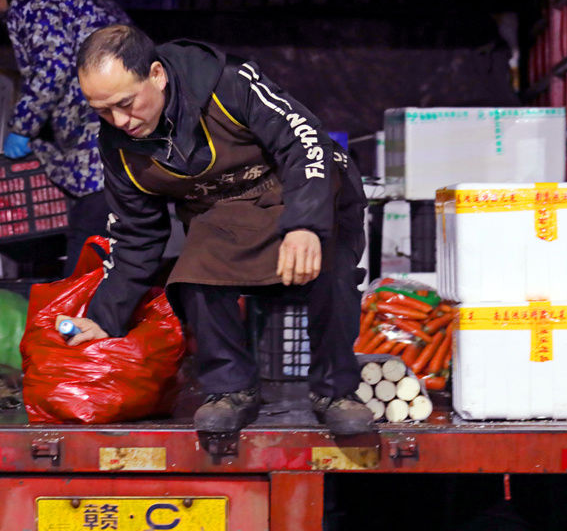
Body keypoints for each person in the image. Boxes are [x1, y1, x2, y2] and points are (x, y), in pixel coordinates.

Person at [57, 24, 373, 436]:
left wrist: (305, 226)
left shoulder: (228, 84)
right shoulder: (117, 144)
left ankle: (335, 392)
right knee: (194, 270)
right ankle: (231, 390)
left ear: (156, 74)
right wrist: (104, 316)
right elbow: (135, 234)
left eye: (126, 103)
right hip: (226, 213)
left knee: (329, 268)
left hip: (307, 192)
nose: (119, 120)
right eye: (102, 111)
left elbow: (305, 141)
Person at [0, 0, 131, 274]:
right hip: (123, 130)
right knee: (106, 235)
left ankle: (80, 318)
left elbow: (52, 66)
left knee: (88, 236)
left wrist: (23, 126)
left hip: (97, 135)